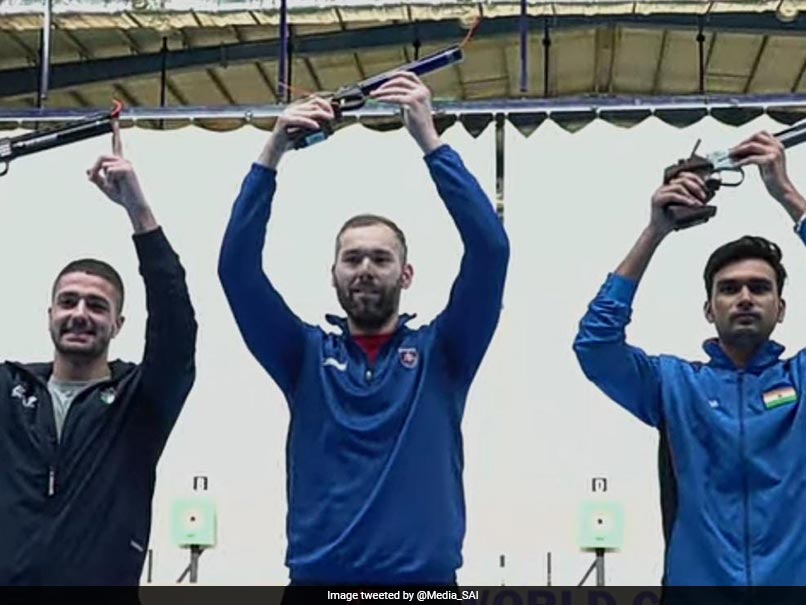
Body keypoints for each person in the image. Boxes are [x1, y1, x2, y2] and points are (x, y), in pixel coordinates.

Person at [219, 72, 509, 585]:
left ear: (406, 273)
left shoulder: (445, 354)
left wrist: (429, 139)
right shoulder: (303, 356)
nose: (366, 269)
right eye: (352, 259)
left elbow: (491, 250)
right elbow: (236, 270)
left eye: (381, 257)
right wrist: (274, 149)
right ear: (333, 274)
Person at [574, 130, 806, 585]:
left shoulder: (800, 381)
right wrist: (655, 231)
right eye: (728, 289)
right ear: (708, 309)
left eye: (759, 289)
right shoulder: (675, 385)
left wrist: (787, 195)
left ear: (780, 311)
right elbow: (595, 346)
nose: (744, 298)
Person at [0, 124, 197, 585]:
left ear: (118, 324)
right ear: (50, 314)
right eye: (69, 302)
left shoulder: (140, 402)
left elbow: (176, 329)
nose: (80, 314)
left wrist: (137, 208)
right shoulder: (9, 393)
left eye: (96, 305)